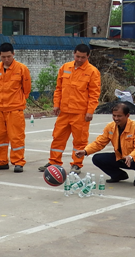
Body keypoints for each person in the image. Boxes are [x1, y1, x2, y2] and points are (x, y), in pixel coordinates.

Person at [38, 44, 101, 175]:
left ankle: (76, 164)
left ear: (88, 56)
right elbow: (59, 88)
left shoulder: (92, 71)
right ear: (74, 54)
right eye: (77, 56)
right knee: (58, 138)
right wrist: (56, 104)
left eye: (83, 57)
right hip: (64, 112)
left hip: (80, 113)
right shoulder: (65, 68)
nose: (79, 59)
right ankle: (54, 162)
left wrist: (90, 111)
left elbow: (94, 94)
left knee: (79, 141)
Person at [75, 102, 135, 186]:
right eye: (114, 115)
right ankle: (118, 175)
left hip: (134, 158)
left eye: (119, 116)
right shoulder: (110, 127)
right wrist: (85, 151)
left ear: (127, 115)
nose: (116, 118)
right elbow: (99, 143)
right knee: (97, 158)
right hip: (120, 157)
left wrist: (131, 156)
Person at [0, 42, 32, 173]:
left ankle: (18, 162)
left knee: (16, 136)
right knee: (0, 136)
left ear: (13, 54)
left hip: (15, 108)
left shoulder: (22, 69)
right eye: (3, 57)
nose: (6, 59)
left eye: (9, 56)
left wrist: (18, 100)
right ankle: (1, 161)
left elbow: (27, 89)